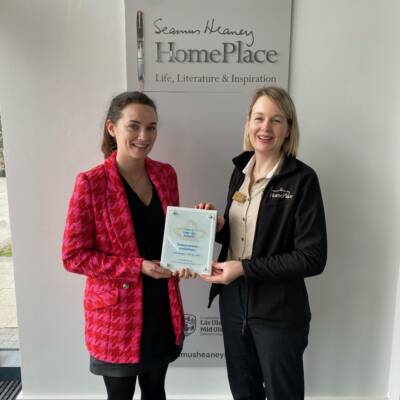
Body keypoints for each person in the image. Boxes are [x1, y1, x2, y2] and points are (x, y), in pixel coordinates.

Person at [198, 86, 327, 400]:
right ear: (248, 124)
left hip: (278, 310)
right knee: (244, 393)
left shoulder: (302, 179)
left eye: (275, 120)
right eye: (258, 118)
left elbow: (312, 257)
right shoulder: (239, 171)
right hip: (233, 304)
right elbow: (243, 236)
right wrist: (215, 227)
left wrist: (243, 268)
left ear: (288, 129)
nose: (265, 128)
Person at [62, 91, 190, 400]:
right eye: (133, 126)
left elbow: (173, 237)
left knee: (156, 392)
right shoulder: (91, 183)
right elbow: (74, 256)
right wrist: (137, 266)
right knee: (119, 396)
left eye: (151, 127)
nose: (144, 136)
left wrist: (194, 237)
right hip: (115, 320)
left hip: (161, 307)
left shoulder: (165, 175)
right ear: (112, 128)